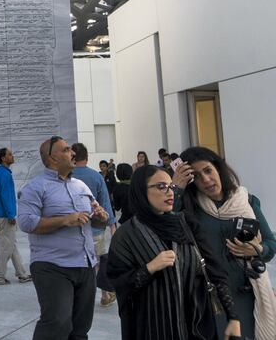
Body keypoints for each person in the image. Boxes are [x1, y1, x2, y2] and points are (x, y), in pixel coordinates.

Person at [107, 165, 242, 340]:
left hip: (197, 325)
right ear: (141, 191)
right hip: (152, 328)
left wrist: (233, 318)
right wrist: (149, 268)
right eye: (161, 186)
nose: (170, 192)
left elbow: (215, 271)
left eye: (171, 186)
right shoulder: (127, 235)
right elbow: (119, 282)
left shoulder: (186, 224)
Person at [173, 147, 276, 339]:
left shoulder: (247, 201)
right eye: (196, 175)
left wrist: (257, 249)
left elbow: (271, 245)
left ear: (218, 169)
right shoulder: (191, 210)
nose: (205, 179)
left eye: (208, 170)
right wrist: (177, 189)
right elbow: (169, 226)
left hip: (250, 290)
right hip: (213, 296)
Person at [17, 136, 109, 340]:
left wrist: (100, 218)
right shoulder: (34, 187)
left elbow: (95, 222)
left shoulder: (81, 186)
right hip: (52, 266)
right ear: (53, 158)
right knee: (56, 323)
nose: (73, 153)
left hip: (85, 265)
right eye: (67, 149)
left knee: (81, 328)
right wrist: (65, 220)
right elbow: (26, 223)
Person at [71, 143, 117, 307]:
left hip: (72, 229)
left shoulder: (65, 176)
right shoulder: (96, 177)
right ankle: (106, 294)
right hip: (95, 228)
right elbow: (105, 202)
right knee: (97, 262)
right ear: (87, 157)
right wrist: (112, 225)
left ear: (72, 157)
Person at [0, 147, 32, 284]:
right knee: (6, 247)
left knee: (11, 245)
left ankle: (22, 274)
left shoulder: (0, 172)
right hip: (6, 215)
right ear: (3, 158)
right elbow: (5, 196)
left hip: (2, 214)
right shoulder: (4, 174)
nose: (12, 156)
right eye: (9, 154)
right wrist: (11, 215)